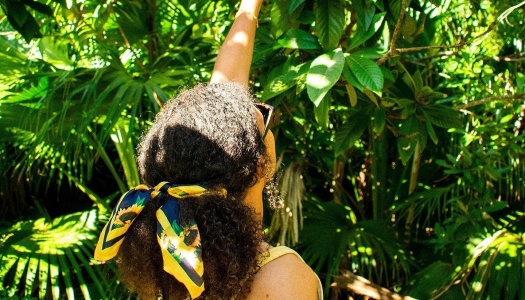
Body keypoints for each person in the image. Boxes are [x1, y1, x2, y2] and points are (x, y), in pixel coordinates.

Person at [94, 0, 323, 299]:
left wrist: (249, 9)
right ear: (257, 166)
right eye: (261, 115)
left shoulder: (171, 272)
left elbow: (224, 93)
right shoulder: (282, 280)